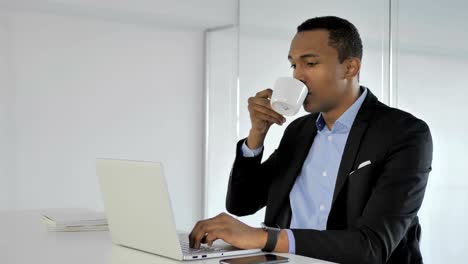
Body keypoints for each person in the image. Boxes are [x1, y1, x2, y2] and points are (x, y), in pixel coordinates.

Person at [189, 16, 432, 264]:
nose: (298, 76)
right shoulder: (299, 131)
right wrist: (256, 135)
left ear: (350, 68)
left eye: (310, 63)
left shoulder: (404, 133)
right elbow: (241, 204)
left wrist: (264, 237)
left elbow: (372, 247)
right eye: (294, 65)